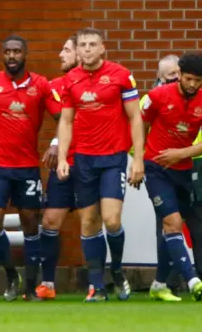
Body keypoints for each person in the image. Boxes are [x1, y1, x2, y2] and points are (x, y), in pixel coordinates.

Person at [56, 28, 145, 302]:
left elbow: (136, 118)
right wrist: (62, 157)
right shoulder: (70, 80)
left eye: (92, 44)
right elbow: (66, 121)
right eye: (82, 45)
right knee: (88, 222)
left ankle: (117, 271)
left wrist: (138, 159)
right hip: (83, 159)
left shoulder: (121, 75)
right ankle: (96, 284)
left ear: (102, 48)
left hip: (113, 158)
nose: (87, 49)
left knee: (112, 219)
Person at [0, 35, 61, 302]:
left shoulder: (41, 85)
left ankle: (30, 287)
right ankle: (11, 274)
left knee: (29, 222)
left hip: (26, 167)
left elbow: (63, 118)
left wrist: (57, 143)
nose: (12, 56)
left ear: (25, 54)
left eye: (16, 51)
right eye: (7, 52)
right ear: (2, 55)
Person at [141, 52, 202, 302]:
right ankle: (193, 279)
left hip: (183, 171)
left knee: (169, 228)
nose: (192, 84)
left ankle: (159, 284)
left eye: (198, 80)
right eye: (188, 78)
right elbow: (140, 125)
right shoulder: (158, 96)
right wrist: (138, 160)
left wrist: (180, 154)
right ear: (179, 75)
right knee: (173, 223)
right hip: (156, 168)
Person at [37, 35, 80, 300]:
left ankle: (101, 283)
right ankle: (48, 284)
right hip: (65, 162)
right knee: (50, 220)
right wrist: (55, 141)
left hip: (90, 162)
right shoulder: (54, 86)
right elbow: (65, 119)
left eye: (66, 50)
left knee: (95, 221)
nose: (60, 54)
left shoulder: (97, 84)